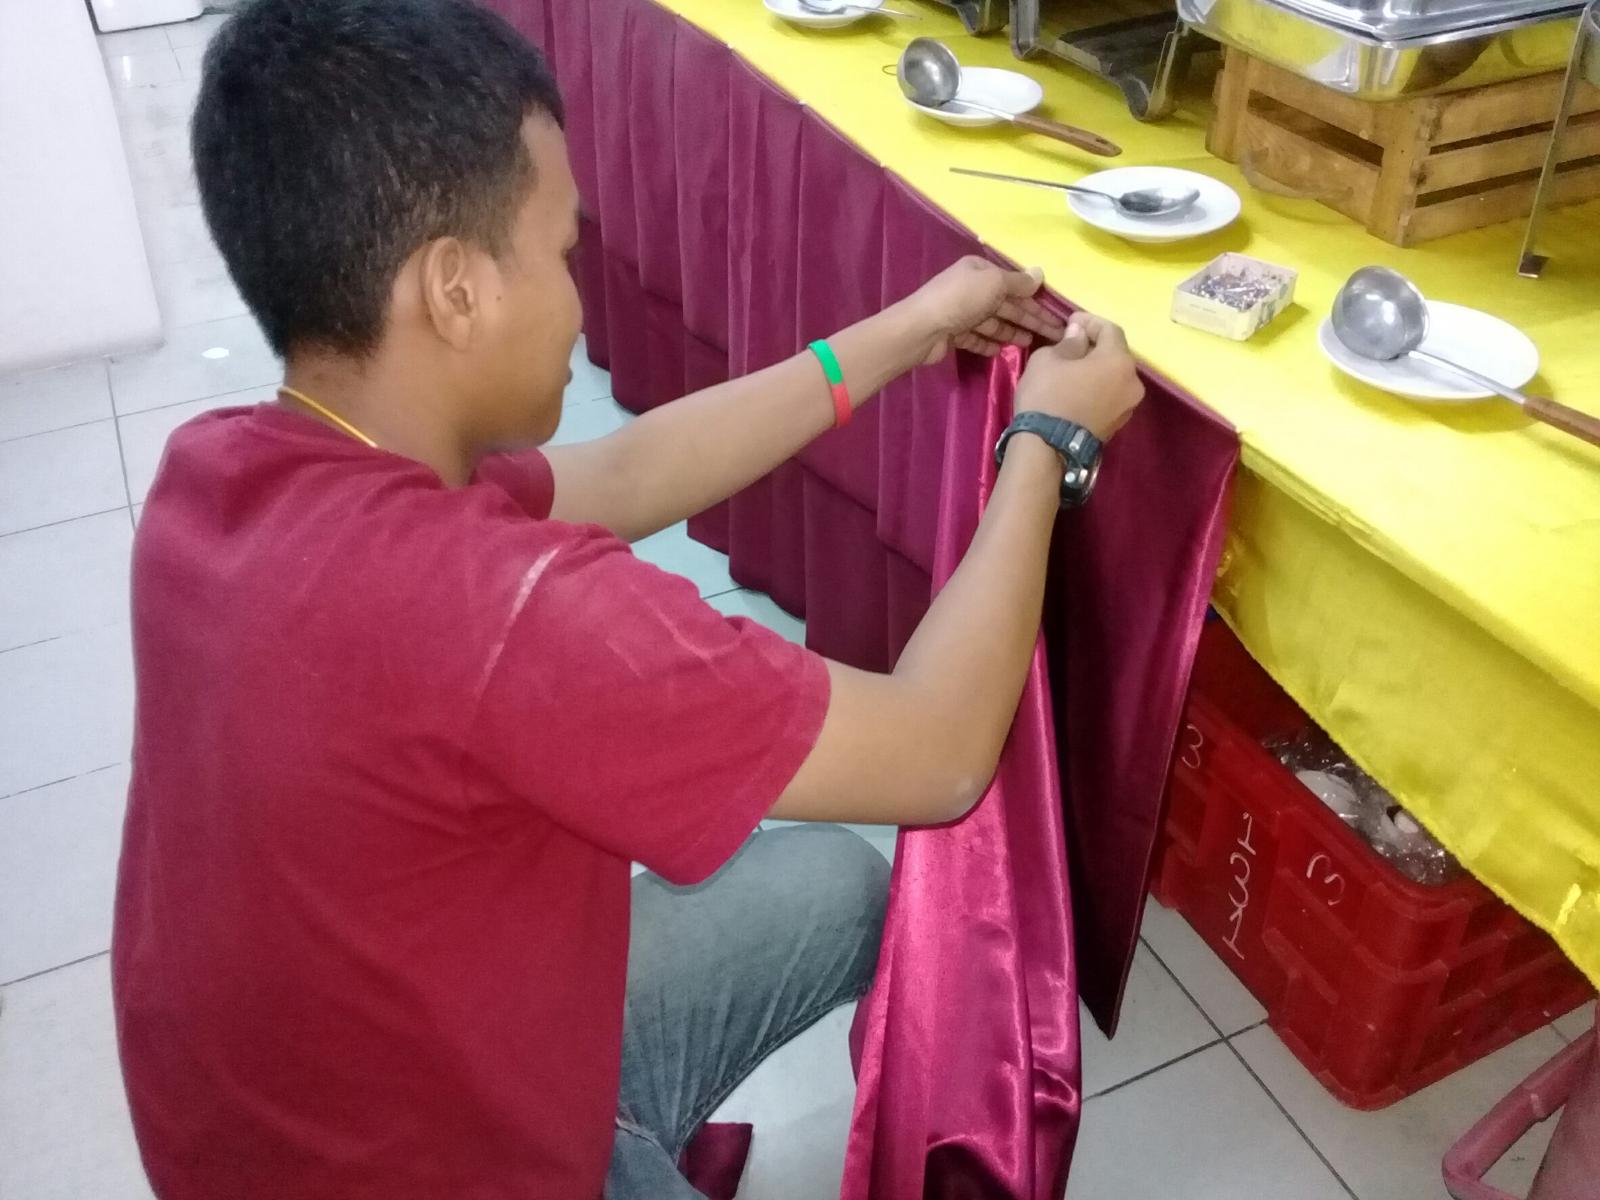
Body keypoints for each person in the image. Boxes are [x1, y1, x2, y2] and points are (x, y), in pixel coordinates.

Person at [109, 0, 1145, 1197]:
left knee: (831, 889)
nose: (580, 293)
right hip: (429, 1169)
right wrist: (1046, 445)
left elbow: (628, 473)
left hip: (318, 1106)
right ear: (453, 290)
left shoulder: (224, 468)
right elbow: (939, 754)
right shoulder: (503, 616)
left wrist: (906, 332)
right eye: (561, 251)